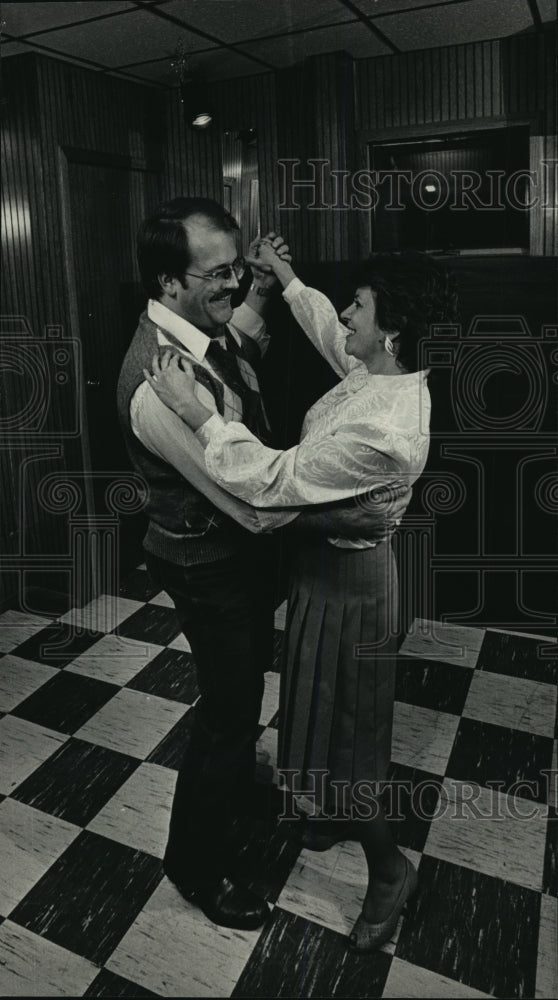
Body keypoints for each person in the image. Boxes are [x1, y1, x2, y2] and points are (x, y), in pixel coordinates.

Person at [143, 242, 459, 951]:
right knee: (321, 711)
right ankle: (329, 814)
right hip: (324, 576)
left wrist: (196, 412)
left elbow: (269, 480)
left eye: (361, 306)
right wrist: (285, 281)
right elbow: (327, 328)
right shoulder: (379, 371)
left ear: (393, 328)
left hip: (351, 588)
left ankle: (388, 870)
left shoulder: (385, 423)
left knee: (352, 737)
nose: (345, 313)